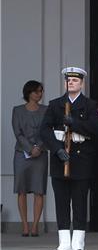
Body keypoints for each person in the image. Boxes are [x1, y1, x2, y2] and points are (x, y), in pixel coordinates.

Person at [40, 67, 98, 250]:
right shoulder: (55, 104)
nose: (71, 83)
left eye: (75, 80)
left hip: (81, 158)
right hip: (60, 158)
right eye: (68, 80)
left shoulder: (90, 105)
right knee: (62, 202)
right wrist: (57, 149)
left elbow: (95, 129)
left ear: (81, 83)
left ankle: (78, 243)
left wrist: (73, 122)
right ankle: (64, 243)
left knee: (79, 202)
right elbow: (44, 130)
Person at [12, 80, 48, 237]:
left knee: (39, 190)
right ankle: (25, 226)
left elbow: (48, 131)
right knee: (21, 190)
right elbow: (17, 132)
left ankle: (35, 226)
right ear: (28, 93)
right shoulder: (18, 110)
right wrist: (29, 148)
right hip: (22, 153)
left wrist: (38, 147)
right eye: (36, 91)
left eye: (41, 91)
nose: (39, 94)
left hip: (40, 154)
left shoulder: (46, 110)